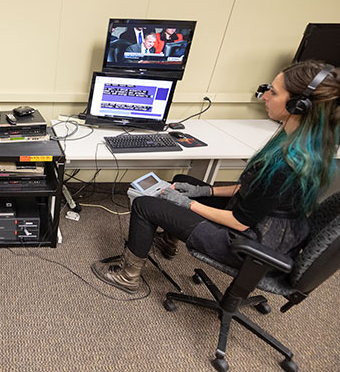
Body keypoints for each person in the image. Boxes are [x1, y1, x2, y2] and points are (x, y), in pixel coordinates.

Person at [92, 60, 340, 294]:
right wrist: (204, 192)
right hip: (271, 227)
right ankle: (168, 241)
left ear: (298, 105)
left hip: (249, 243)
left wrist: (188, 203)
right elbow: (252, 190)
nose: (264, 96)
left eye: (273, 92)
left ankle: (127, 276)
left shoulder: (287, 163)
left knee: (145, 205)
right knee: (182, 180)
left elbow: (240, 222)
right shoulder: (307, 144)